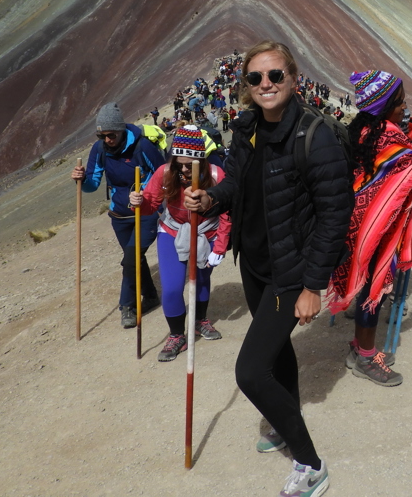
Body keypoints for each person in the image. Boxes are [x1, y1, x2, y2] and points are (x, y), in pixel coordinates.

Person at [183, 40, 351, 496]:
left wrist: (313, 285)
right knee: (276, 353)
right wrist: (211, 199)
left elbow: (336, 214)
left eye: (275, 75)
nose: (266, 84)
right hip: (255, 263)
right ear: (246, 86)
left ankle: (311, 465)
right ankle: (283, 418)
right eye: (256, 78)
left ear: (293, 79)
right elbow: (237, 181)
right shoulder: (247, 128)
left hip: (290, 271)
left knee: (251, 372)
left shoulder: (315, 137)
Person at [329, 71, 412, 384]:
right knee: (374, 288)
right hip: (374, 227)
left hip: (361, 220)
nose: (406, 109)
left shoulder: (367, 128)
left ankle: (361, 346)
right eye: (400, 103)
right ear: (384, 106)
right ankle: (364, 358)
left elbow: (391, 166)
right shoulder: (388, 135)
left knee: (369, 286)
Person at [130, 126, 230, 361]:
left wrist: (220, 245)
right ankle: (177, 335)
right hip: (172, 231)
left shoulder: (216, 175)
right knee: (173, 287)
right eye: (179, 163)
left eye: (190, 164)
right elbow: (150, 205)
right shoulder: (165, 173)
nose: (184, 169)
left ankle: (200, 320)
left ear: (201, 160)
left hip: (207, 232)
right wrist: (138, 201)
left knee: (202, 279)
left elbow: (227, 212)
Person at [72, 103, 166, 328]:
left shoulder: (143, 147)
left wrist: (146, 194)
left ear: (121, 130)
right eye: (101, 135)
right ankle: (151, 296)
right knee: (134, 259)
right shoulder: (99, 149)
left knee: (130, 259)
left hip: (146, 213)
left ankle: (127, 306)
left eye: (111, 134)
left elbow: (165, 176)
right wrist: (81, 180)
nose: (106, 139)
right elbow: (92, 185)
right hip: (119, 215)